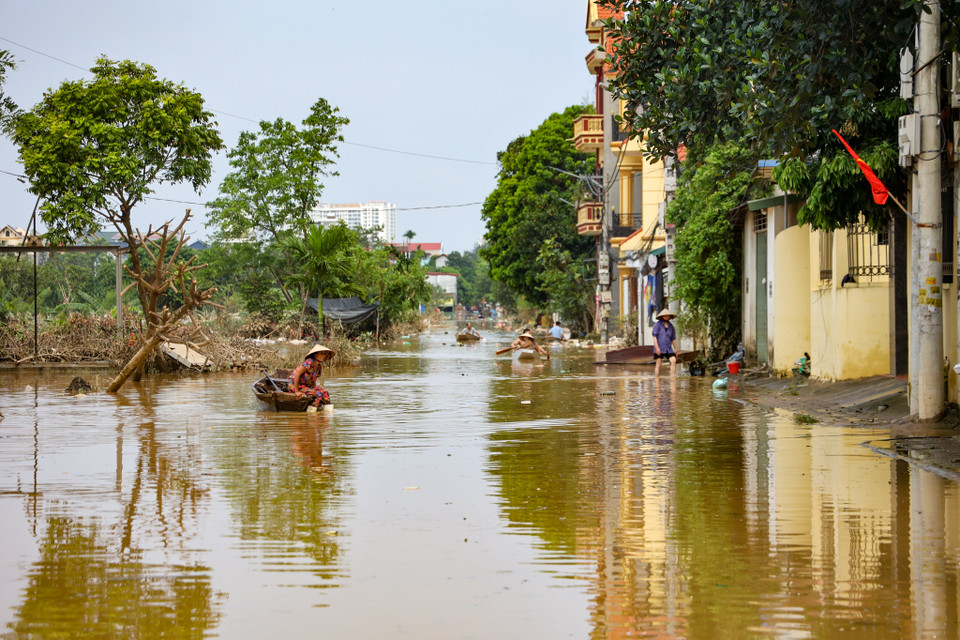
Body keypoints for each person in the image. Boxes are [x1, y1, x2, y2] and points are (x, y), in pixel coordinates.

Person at [289, 344, 334, 409]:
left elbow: (314, 379)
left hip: (307, 386)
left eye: (325, 354)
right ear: (315, 354)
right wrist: (297, 391)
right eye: (321, 353)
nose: (323, 356)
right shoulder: (309, 362)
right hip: (296, 385)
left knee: (325, 392)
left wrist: (316, 388)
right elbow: (297, 374)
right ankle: (311, 413)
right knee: (318, 394)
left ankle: (327, 412)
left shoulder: (319, 366)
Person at [652, 308, 678, 377]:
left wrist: (675, 349)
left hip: (668, 348)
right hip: (660, 347)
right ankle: (657, 379)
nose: (667, 317)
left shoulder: (671, 326)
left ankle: (672, 377)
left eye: (668, 316)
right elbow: (655, 337)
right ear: (662, 316)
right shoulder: (657, 325)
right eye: (665, 316)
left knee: (673, 360)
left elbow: (673, 338)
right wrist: (657, 348)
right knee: (658, 364)